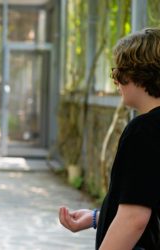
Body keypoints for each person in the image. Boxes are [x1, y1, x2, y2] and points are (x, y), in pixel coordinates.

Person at [59, 27, 160, 249]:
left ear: (138, 73)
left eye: (118, 72)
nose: (116, 81)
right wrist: (98, 217)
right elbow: (149, 200)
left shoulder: (144, 131)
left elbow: (134, 219)